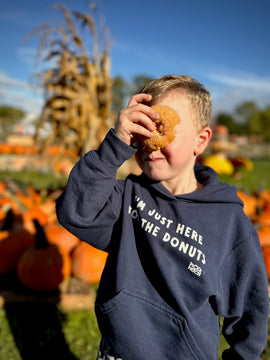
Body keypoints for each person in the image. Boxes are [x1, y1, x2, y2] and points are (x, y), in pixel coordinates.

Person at [56, 75, 269, 360]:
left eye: (162, 128)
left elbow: (249, 308)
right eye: (143, 127)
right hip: (117, 352)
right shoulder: (126, 196)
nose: (150, 141)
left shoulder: (228, 221)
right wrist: (114, 146)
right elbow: (75, 213)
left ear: (201, 140)